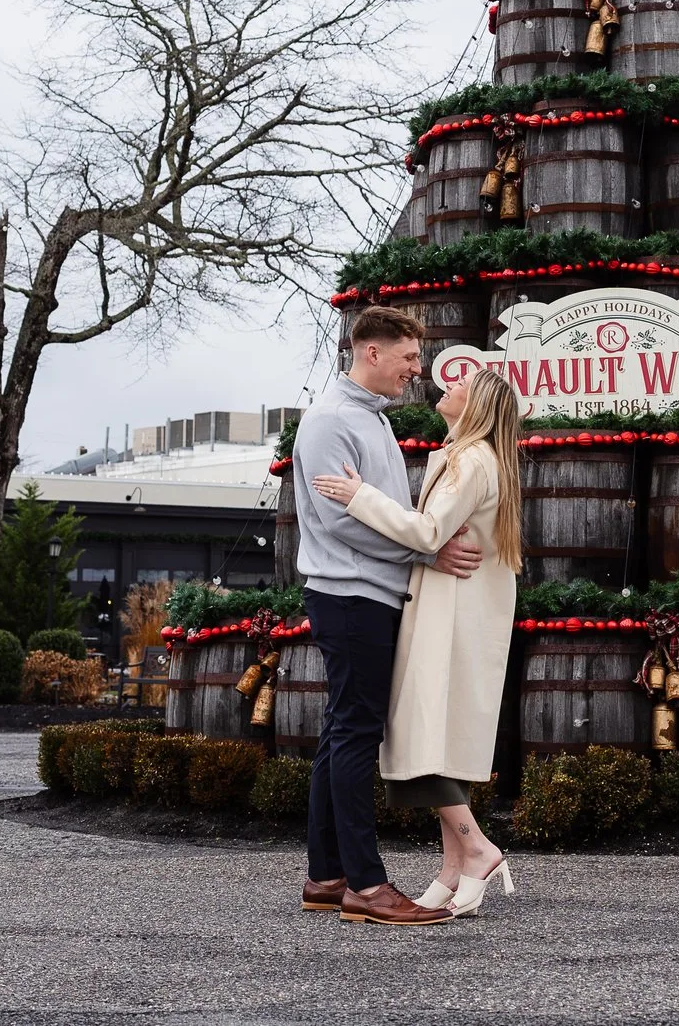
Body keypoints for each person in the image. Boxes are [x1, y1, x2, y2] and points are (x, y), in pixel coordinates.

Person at [292, 306, 482, 927]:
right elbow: (337, 520)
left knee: (342, 731)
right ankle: (368, 888)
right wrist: (427, 547)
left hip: (366, 593)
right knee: (356, 733)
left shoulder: (369, 420)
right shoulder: (329, 422)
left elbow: (374, 510)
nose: (416, 371)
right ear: (371, 353)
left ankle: (326, 877)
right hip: (351, 596)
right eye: (407, 358)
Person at [314, 365, 522, 918]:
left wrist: (360, 496)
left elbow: (428, 532)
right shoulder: (469, 457)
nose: (446, 385)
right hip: (451, 609)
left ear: (477, 406)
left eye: (462, 386)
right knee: (437, 733)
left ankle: (477, 848)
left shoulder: (471, 461)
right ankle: (453, 869)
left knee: (422, 733)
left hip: (447, 614)